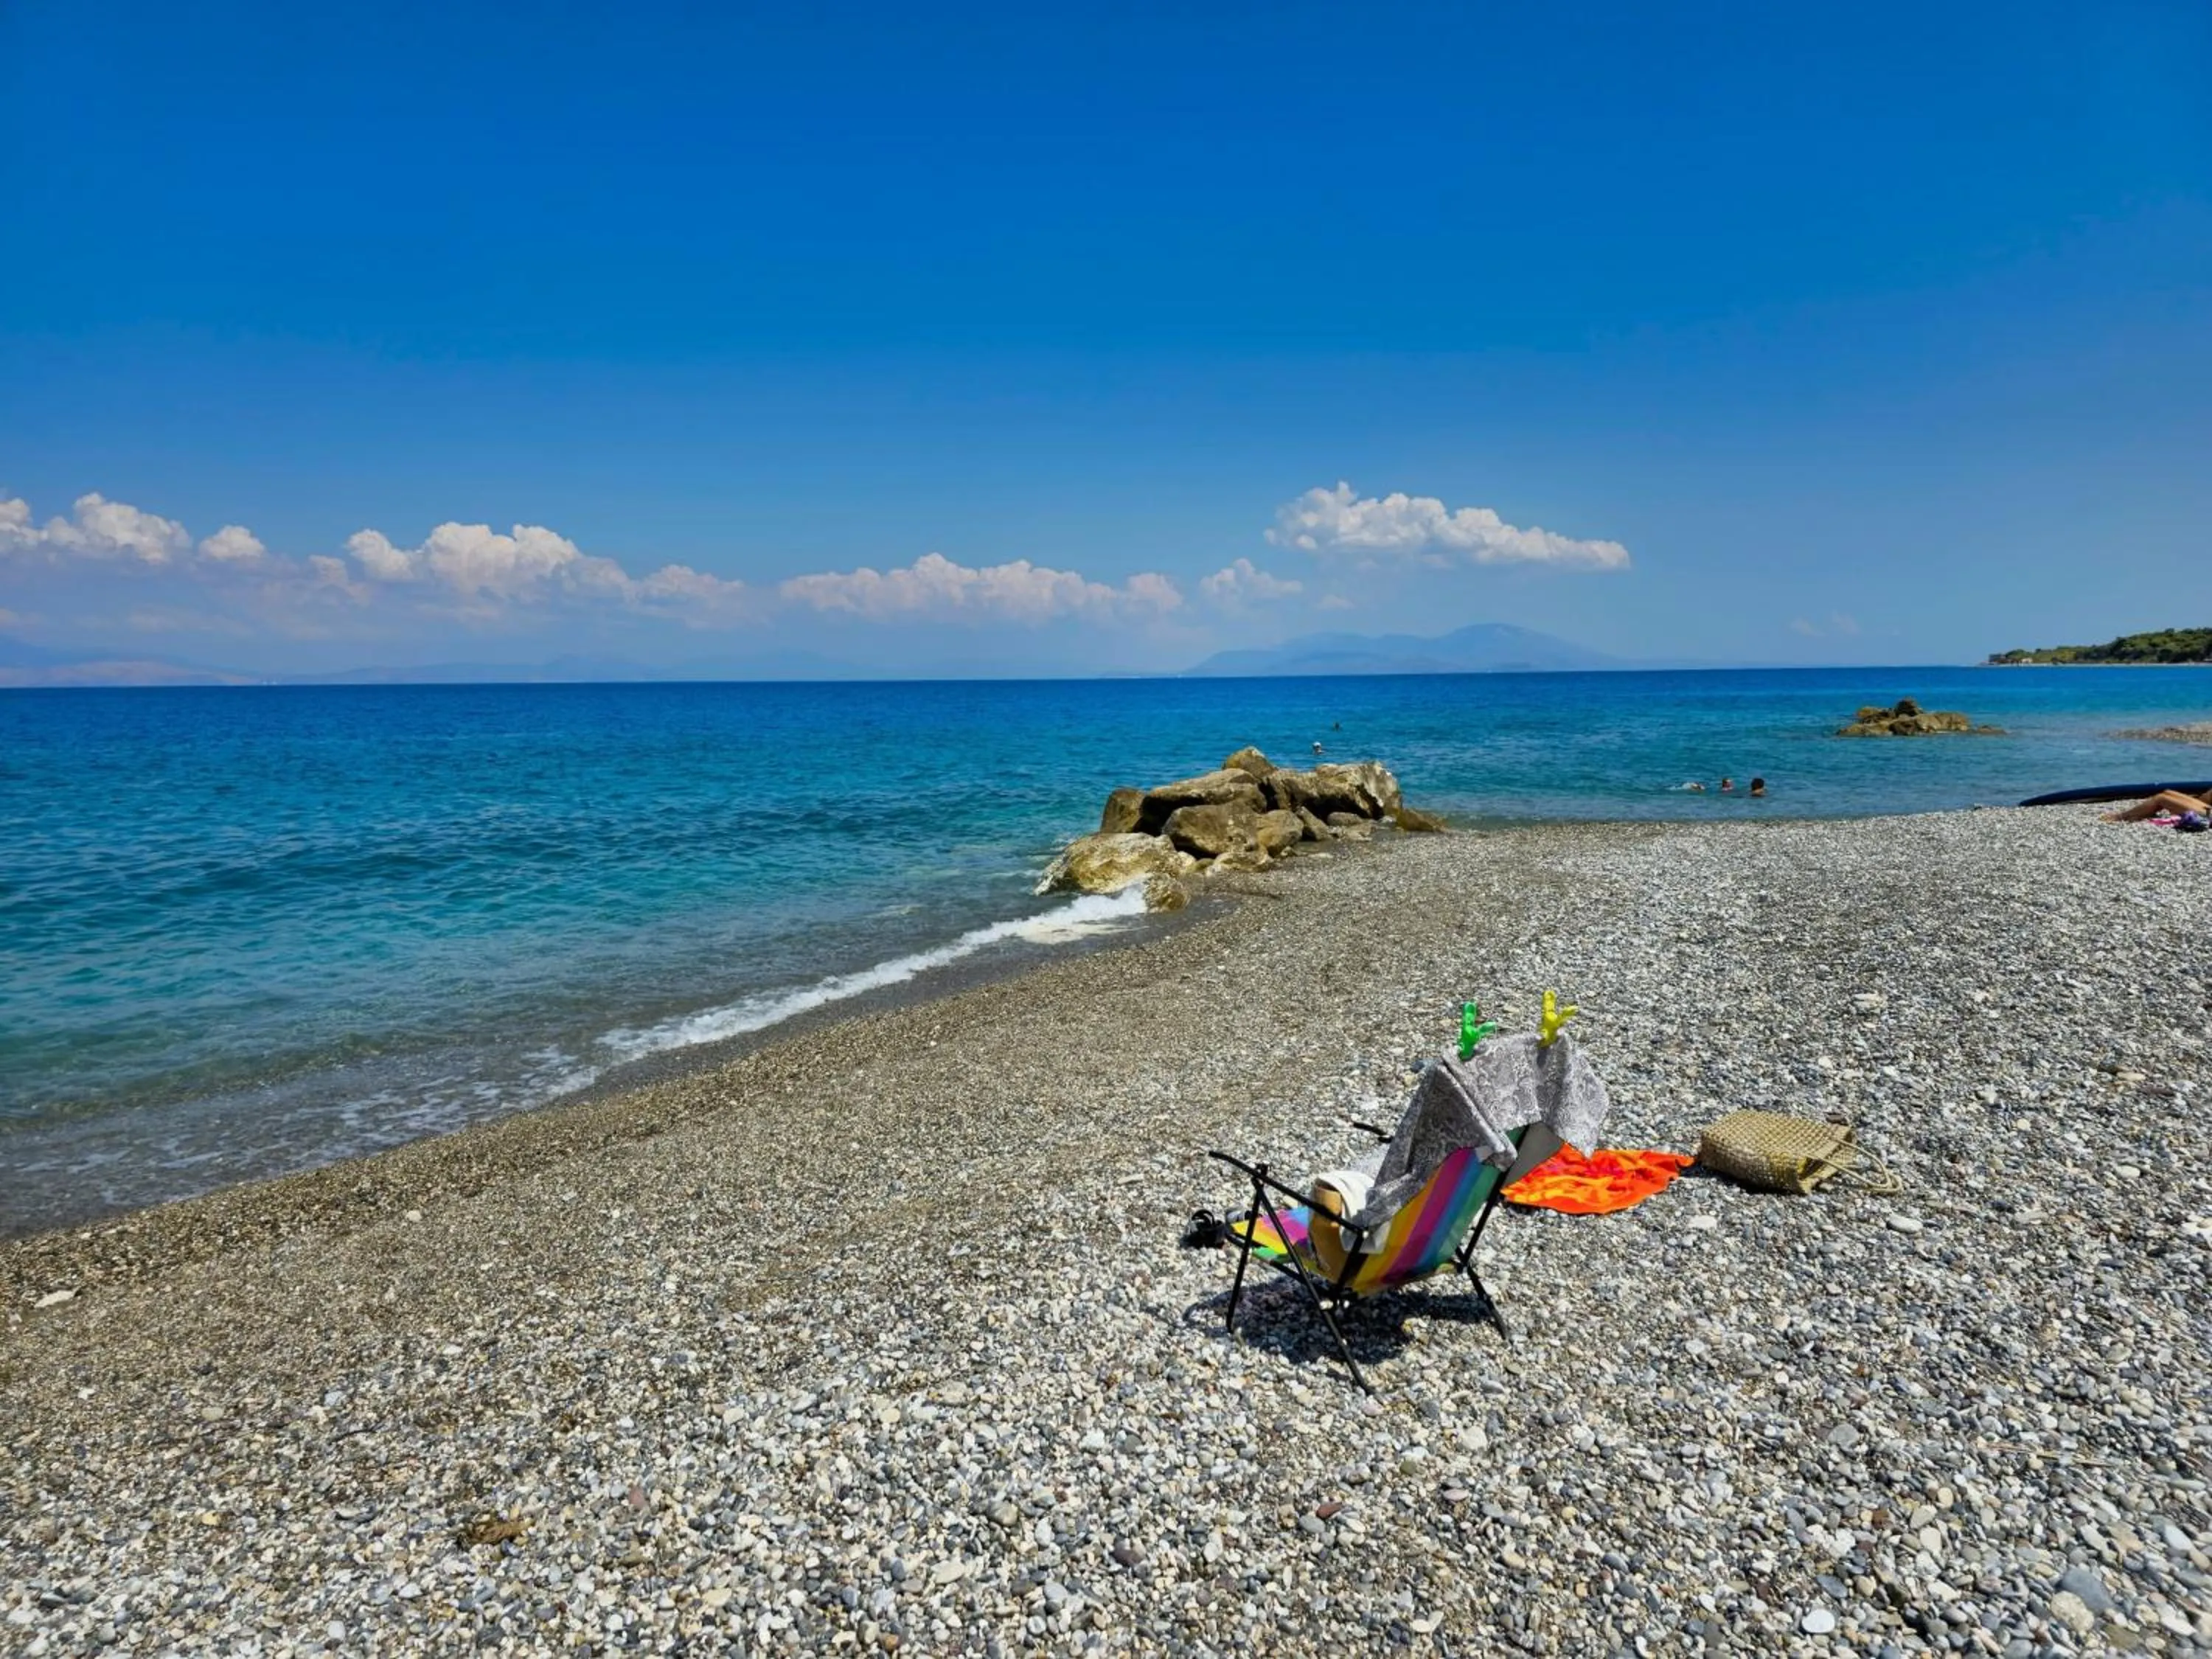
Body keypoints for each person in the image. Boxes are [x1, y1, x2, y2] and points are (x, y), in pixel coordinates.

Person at [2103, 788, 2211, 823]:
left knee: (2161, 799)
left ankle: (2123, 816)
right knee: (2167, 793)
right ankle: (2144, 812)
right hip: (2208, 809)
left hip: (2209, 815)